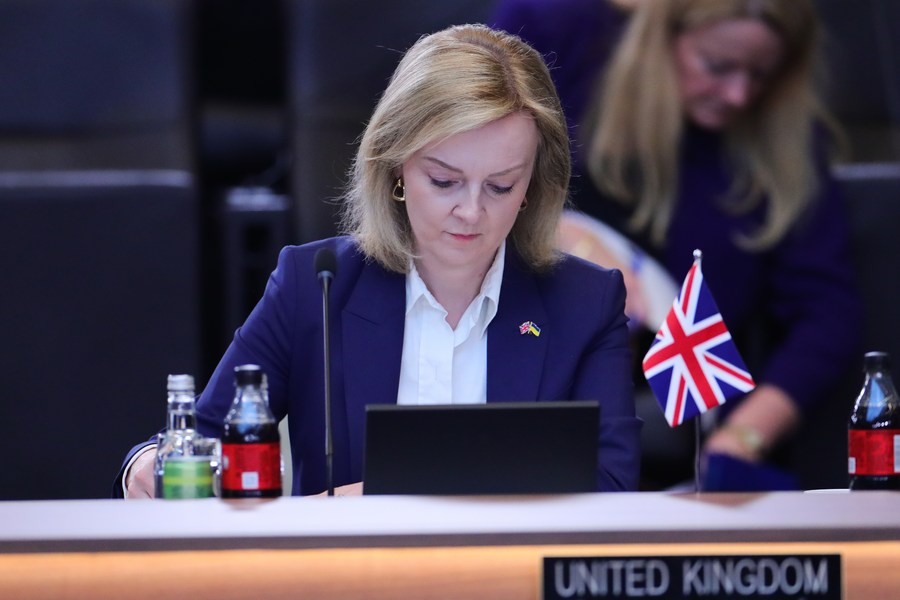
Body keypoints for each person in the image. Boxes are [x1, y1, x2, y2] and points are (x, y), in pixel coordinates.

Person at [117, 23, 642, 498]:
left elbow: (612, 487)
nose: (471, 211)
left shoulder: (586, 303)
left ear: (532, 185)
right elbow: (204, 441)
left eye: (501, 186)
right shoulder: (315, 286)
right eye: (444, 181)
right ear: (395, 166)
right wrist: (146, 465)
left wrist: (397, 497)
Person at [492, 0, 863, 488]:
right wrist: (560, 231)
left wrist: (744, 436)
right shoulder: (563, 37)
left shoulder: (789, 147)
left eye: (761, 74)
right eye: (717, 65)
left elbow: (827, 313)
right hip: (526, 401)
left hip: (692, 430)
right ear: (662, 35)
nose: (738, 94)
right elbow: (461, 164)